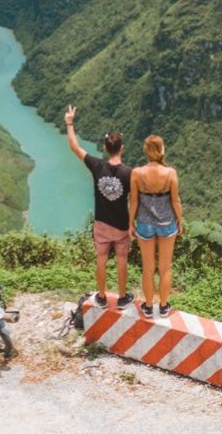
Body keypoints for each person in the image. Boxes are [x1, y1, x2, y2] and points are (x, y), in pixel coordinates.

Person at [65, 104, 134, 310]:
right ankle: (122, 298)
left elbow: (75, 148)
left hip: (101, 224)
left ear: (105, 148)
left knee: (101, 259)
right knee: (122, 260)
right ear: (122, 148)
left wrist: (69, 122)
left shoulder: (97, 165)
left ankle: (102, 297)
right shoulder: (130, 173)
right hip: (122, 226)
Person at [129, 135, 183, 317]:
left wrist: (131, 223)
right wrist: (179, 221)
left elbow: (134, 201)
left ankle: (148, 306)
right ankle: (164, 306)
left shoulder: (137, 173)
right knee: (165, 267)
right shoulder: (170, 173)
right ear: (162, 150)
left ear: (146, 151)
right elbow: (175, 201)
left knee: (148, 268)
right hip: (167, 223)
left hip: (144, 223)